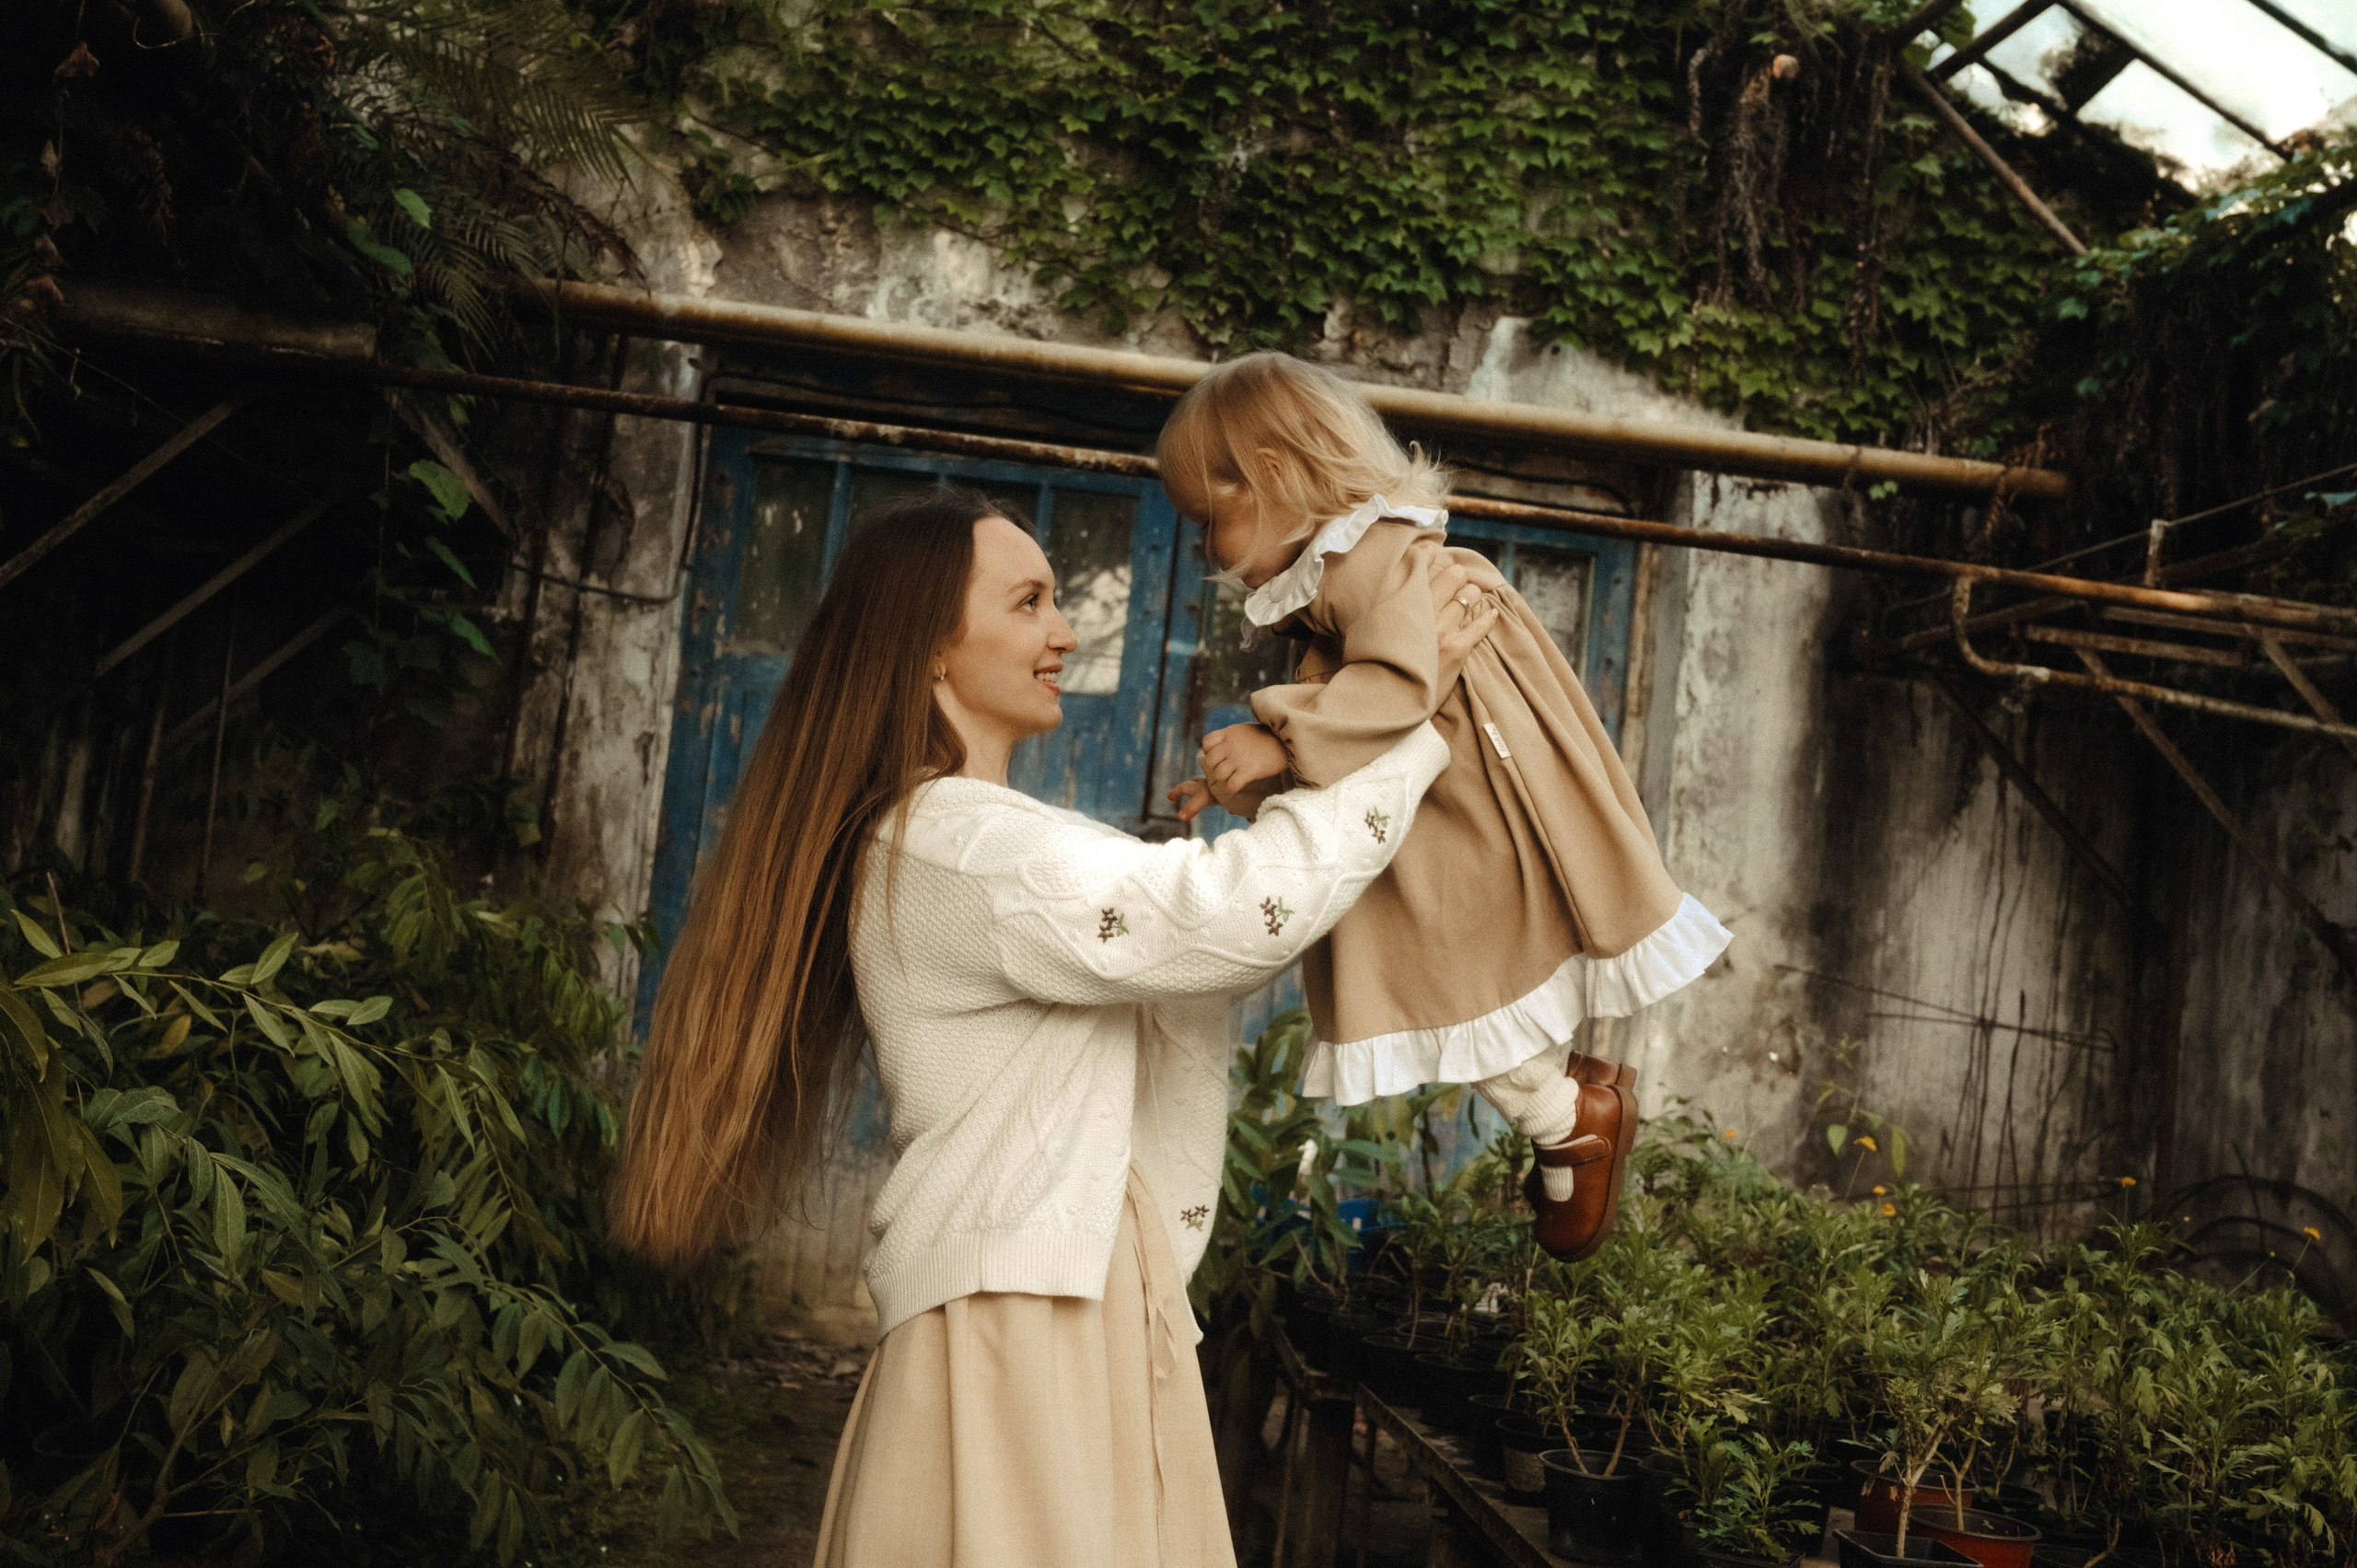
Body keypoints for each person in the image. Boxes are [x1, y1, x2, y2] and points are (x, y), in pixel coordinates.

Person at [609, 486, 1500, 1568]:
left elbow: (1180, 937)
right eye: (1028, 602)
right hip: (1020, 1321)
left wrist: (1315, 755)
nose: (1066, 631)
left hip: (1059, 1299)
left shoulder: (975, 834)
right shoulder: (954, 840)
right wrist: (1407, 723)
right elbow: (1228, 917)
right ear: (930, 646)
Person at [1159, 352, 1732, 1261]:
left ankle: (1570, 1119)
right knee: (1440, 973)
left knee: (1437, 973)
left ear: (1274, 476)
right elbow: (1364, 705)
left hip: (1465, 789)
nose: (1204, 547)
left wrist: (1280, 738)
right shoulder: (1351, 564)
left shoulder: (1374, 557)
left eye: (1207, 517)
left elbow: (1395, 682)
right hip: (1441, 781)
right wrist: (1256, 775)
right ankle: (1567, 1113)